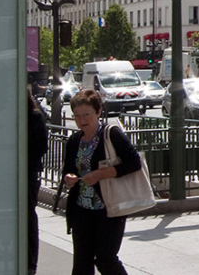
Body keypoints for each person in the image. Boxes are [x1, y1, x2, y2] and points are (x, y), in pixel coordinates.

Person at [62, 89, 141, 275]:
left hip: (108, 208)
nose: (82, 120)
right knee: (81, 263)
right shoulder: (74, 141)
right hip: (82, 209)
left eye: (87, 115)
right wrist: (69, 178)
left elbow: (134, 162)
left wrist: (102, 174)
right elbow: (67, 170)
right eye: (77, 116)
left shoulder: (111, 134)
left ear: (98, 112)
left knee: (105, 259)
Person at [27, 91, 49, 275]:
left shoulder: (34, 117)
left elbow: (42, 146)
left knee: (28, 215)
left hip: (28, 173)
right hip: (28, 171)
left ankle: (30, 262)